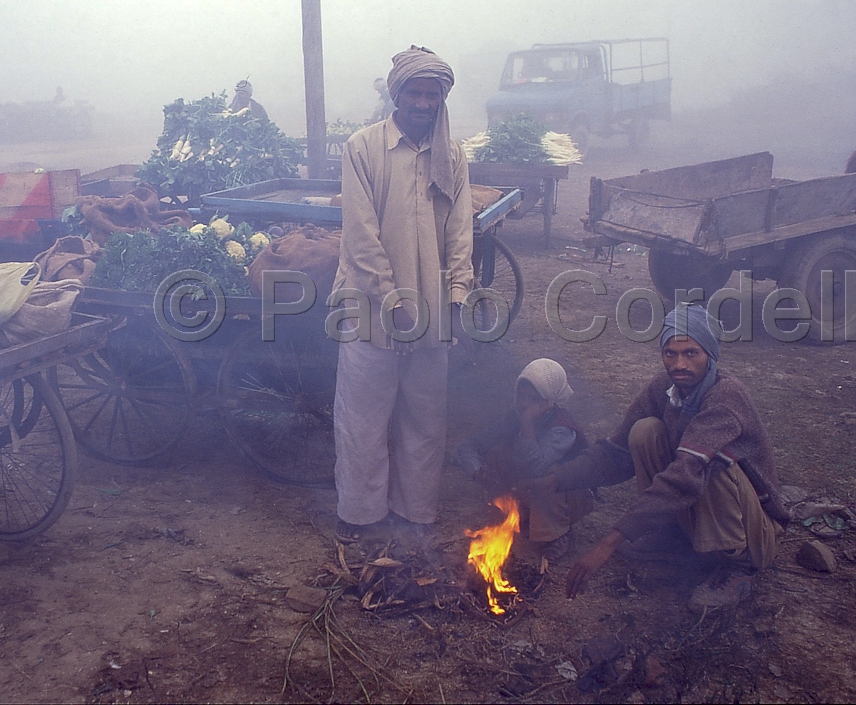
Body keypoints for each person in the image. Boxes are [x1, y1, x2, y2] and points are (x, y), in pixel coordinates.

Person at [519, 304, 789, 608]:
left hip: (756, 533)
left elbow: (683, 477)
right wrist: (555, 481)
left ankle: (739, 567)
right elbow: (615, 451)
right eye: (670, 353)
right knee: (644, 431)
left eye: (691, 353)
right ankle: (670, 536)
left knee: (711, 462)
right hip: (700, 501)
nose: (679, 364)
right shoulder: (665, 388)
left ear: (710, 355)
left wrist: (609, 543)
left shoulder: (725, 397)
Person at [330, 46, 474, 544]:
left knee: (425, 418)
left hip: (433, 310)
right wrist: (393, 301)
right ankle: (360, 516)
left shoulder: (452, 156)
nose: (424, 102)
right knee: (363, 418)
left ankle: (416, 514)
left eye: (432, 94)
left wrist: (457, 295)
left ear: (441, 99)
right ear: (398, 95)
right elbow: (360, 233)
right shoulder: (363, 148)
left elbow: (459, 230)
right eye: (415, 92)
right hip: (371, 307)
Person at [459, 359, 593, 560]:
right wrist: (478, 472)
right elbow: (468, 446)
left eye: (532, 399)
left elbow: (536, 468)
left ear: (549, 401)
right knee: (499, 452)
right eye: (521, 396)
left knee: (549, 473)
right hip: (528, 487)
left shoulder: (562, 428)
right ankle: (522, 514)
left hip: (571, 496)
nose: (523, 404)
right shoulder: (513, 417)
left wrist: (527, 424)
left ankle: (558, 533)